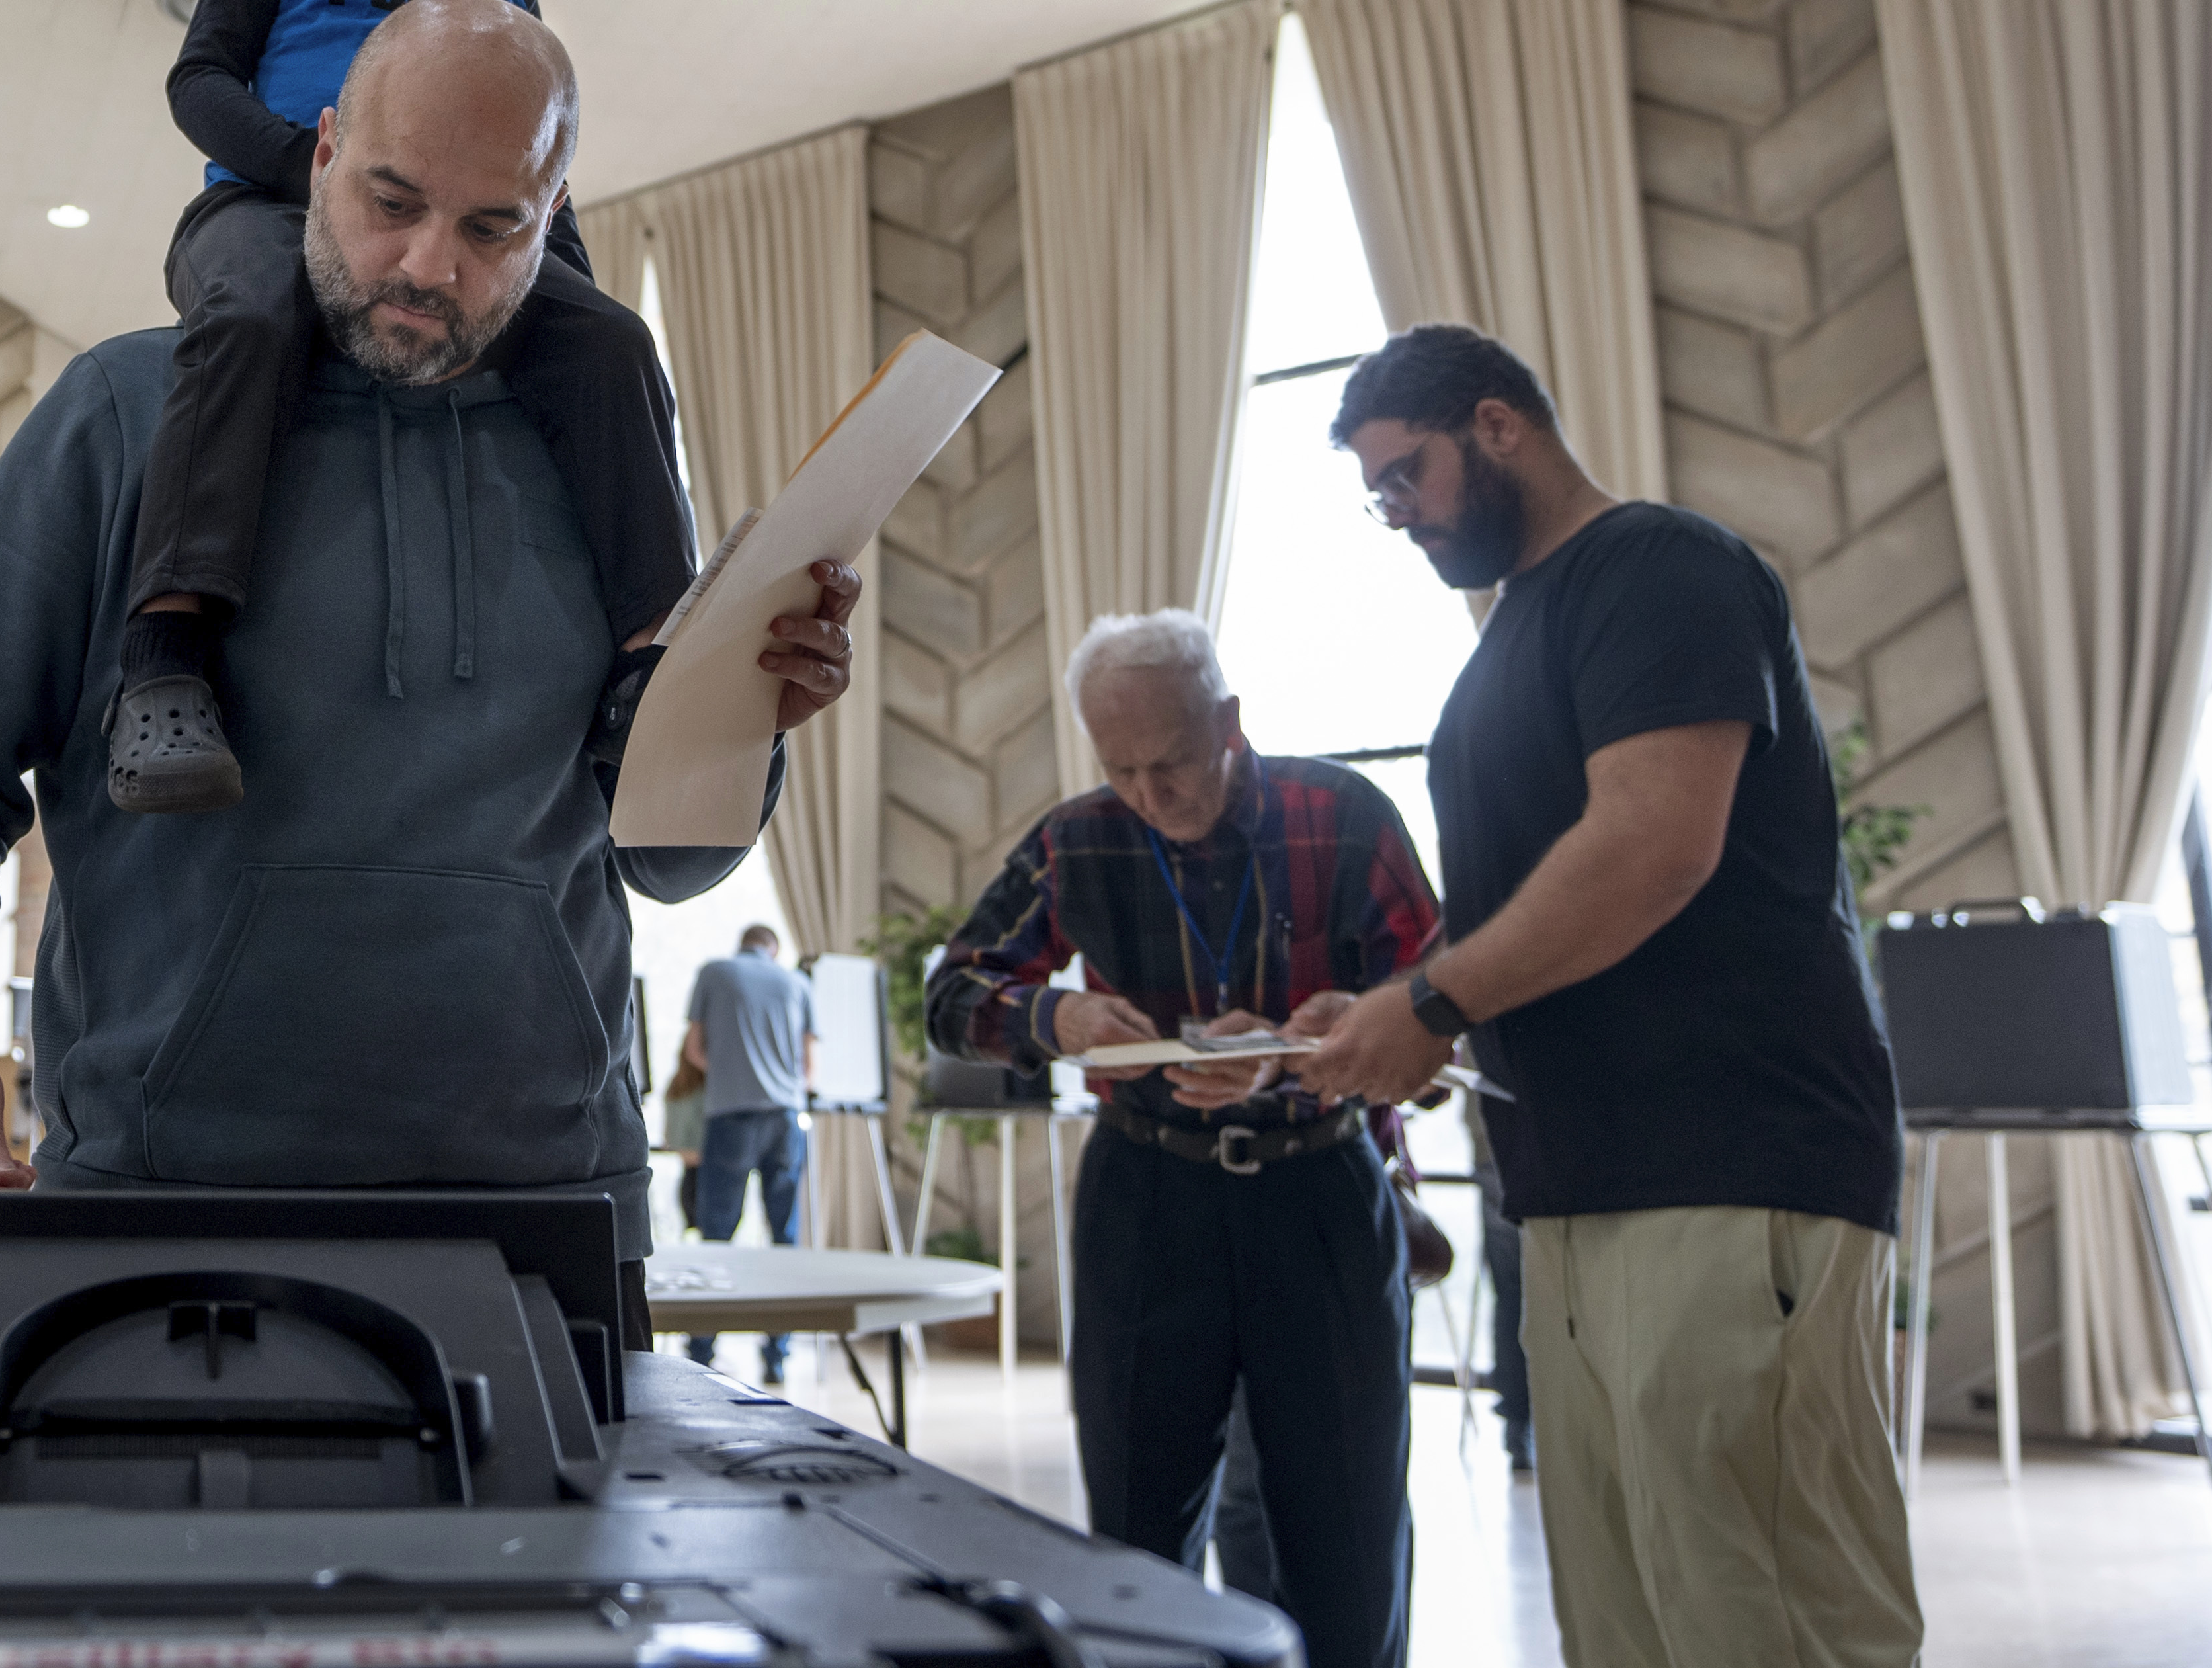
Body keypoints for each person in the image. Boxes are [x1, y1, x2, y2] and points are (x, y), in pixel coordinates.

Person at [0, 0, 862, 1288]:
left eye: (493, 226)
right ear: (318, 156)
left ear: (552, 218)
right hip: (163, 1208)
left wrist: (734, 723)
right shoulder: (122, 416)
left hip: (551, 1224)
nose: (431, 264)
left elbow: (667, 865)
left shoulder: (606, 459)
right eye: (391, 200)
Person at [1297, 325, 1918, 1668]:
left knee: (1760, 1610)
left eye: (1407, 476)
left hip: (1728, 1153)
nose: (1396, 517)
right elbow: (1528, 889)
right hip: (1578, 1181)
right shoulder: (1514, 632)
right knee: (1630, 1616)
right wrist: (1383, 1005)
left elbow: (1651, 846)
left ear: (1497, 424)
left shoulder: (1658, 566)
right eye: (1378, 496)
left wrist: (1437, 1001)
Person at [116, 0, 693, 813]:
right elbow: (199, 84)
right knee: (253, 310)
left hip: (453, 236)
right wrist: (308, 174)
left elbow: (537, 180)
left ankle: (654, 660)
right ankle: (166, 653)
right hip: (266, 213)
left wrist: (558, 285)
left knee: (615, 344)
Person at [926, 610, 1442, 1668]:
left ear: (1228, 721)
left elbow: (1442, 986)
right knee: (1133, 1525)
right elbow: (952, 991)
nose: (1151, 798)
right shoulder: (1077, 836)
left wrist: (1348, 1015)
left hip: (1319, 1184)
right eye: (1122, 769)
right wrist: (1051, 1018)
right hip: (1147, 1194)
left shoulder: (1339, 814)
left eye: (1171, 763)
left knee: (1347, 1532)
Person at [678, 924, 816, 1383]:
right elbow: (808, 1069)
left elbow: (695, 1049)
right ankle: (778, 1355)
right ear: (773, 951)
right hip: (785, 1120)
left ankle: (701, 1351)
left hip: (732, 1116)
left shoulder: (714, 972)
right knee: (784, 1237)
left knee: (717, 1235)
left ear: (741, 944)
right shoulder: (798, 983)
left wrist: (733, 1073)